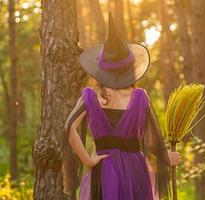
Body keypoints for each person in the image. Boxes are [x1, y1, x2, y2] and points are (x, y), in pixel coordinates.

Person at [63, 13, 180, 200]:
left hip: (104, 169)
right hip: (135, 172)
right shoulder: (140, 98)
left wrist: (88, 160)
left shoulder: (91, 97)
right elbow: (150, 141)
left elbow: (69, 128)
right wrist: (166, 157)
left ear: (101, 70)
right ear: (129, 70)